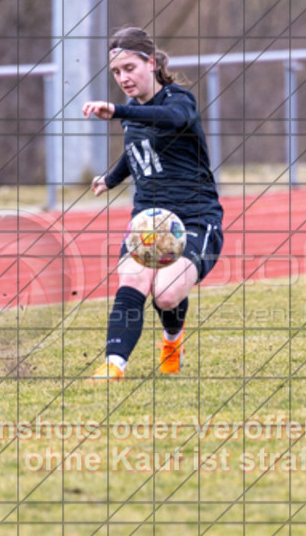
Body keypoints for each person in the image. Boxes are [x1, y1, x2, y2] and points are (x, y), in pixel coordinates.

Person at [81, 26, 225, 382]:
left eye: (129, 68)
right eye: (116, 72)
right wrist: (111, 178)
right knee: (132, 279)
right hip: (148, 218)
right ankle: (114, 364)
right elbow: (136, 152)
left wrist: (117, 112)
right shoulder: (132, 113)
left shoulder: (179, 101)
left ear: (149, 62)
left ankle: (172, 339)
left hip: (195, 217)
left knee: (164, 294)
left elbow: (170, 121)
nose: (123, 78)